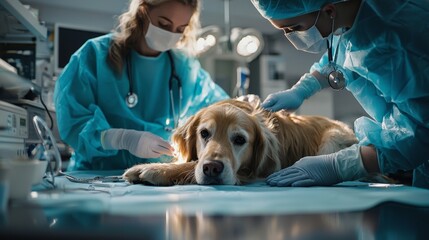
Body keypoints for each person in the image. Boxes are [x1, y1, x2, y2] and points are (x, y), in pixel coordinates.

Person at [250, 0, 429, 188]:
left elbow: (419, 132)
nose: (290, 37)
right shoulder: (357, 17)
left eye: (294, 27)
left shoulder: (397, 38)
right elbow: (343, 56)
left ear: (329, 11)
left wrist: (339, 166)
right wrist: (301, 90)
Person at [54, 0, 229, 171]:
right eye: (164, 24)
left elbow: (219, 107)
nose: (172, 34)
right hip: (96, 177)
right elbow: (74, 123)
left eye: (180, 29)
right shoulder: (94, 56)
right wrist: (122, 139)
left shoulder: (185, 67)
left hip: (158, 175)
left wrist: (245, 104)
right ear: (143, 11)